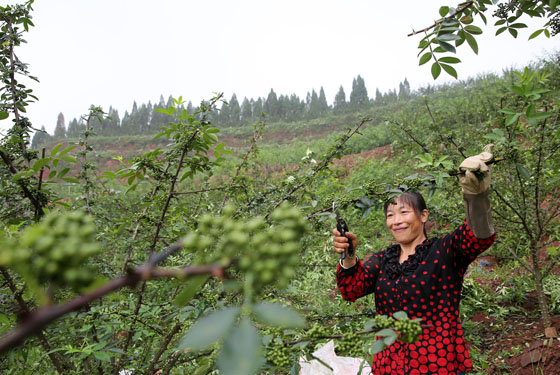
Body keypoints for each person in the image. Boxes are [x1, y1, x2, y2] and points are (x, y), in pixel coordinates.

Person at [333, 145, 496, 375]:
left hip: (437, 364)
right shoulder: (384, 260)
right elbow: (351, 289)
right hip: (390, 366)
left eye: (404, 212)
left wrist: (476, 196)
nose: (396, 221)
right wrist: (348, 256)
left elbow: (479, 236)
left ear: (423, 215)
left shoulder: (443, 252)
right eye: (390, 215)